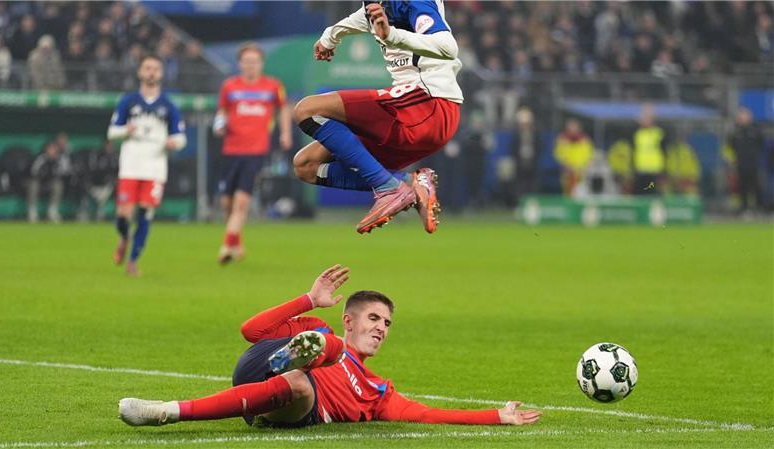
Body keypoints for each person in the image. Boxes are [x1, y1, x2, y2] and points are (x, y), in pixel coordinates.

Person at [119, 265, 542, 428]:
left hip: (292, 402)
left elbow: (429, 414)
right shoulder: (316, 324)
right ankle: (297, 357)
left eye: (387, 323)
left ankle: (167, 411)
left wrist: (497, 417)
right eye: (374, 319)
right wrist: (307, 299)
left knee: (302, 383)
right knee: (322, 343)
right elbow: (250, 331)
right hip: (255, 366)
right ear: (350, 318)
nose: (381, 329)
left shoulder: (378, 393)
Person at [291, 1, 463, 234]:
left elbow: (448, 47)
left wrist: (391, 35)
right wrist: (330, 37)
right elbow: (360, 18)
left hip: (429, 102)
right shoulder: (376, 4)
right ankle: (410, 183)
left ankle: (389, 188)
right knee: (306, 166)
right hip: (419, 119)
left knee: (306, 110)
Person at [107, 54, 186, 277]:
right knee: (123, 213)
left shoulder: (168, 105)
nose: (151, 72)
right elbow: (112, 132)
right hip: (131, 165)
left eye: (155, 69)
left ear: (160, 74)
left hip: (154, 168)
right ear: (140, 72)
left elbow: (180, 137)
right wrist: (126, 131)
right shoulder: (128, 101)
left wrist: (174, 142)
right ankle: (124, 237)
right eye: (147, 68)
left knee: (145, 212)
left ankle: (133, 261)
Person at [213, 42, 292, 264]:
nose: (250, 65)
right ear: (240, 63)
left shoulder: (272, 86)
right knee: (226, 203)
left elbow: (284, 108)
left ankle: (226, 246)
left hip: (256, 150)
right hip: (230, 149)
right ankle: (236, 244)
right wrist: (219, 124)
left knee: (241, 202)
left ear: (261, 63)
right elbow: (222, 111)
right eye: (246, 61)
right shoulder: (230, 87)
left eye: (254, 61)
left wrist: (285, 133)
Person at [728, 108, 765, 215]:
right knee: (742, 186)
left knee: (756, 186)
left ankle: (759, 208)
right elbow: (731, 146)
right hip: (740, 163)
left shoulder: (755, 130)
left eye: (746, 116)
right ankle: (744, 208)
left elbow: (760, 144)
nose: (744, 118)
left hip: (753, 163)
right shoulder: (735, 131)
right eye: (742, 116)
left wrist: (755, 156)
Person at [27, 140, 71, 223]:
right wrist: (44, 170)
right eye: (49, 148)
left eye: (53, 149)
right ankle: (32, 211)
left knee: (58, 184)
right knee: (33, 184)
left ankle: (52, 211)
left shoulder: (60, 159)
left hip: (51, 184)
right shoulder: (41, 157)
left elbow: (66, 171)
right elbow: (33, 171)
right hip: (40, 183)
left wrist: (55, 164)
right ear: (46, 149)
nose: (51, 151)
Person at [554, 119, 594, 196]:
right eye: (571, 128)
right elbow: (558, 155)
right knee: (567, 194)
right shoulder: (562, 140)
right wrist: (566, 165)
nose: (573, 130)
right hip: (567, 174)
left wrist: (585, 167)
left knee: (581, 194)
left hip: (582, 175)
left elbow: (590, 156)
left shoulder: (585, 141)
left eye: (575, 128)